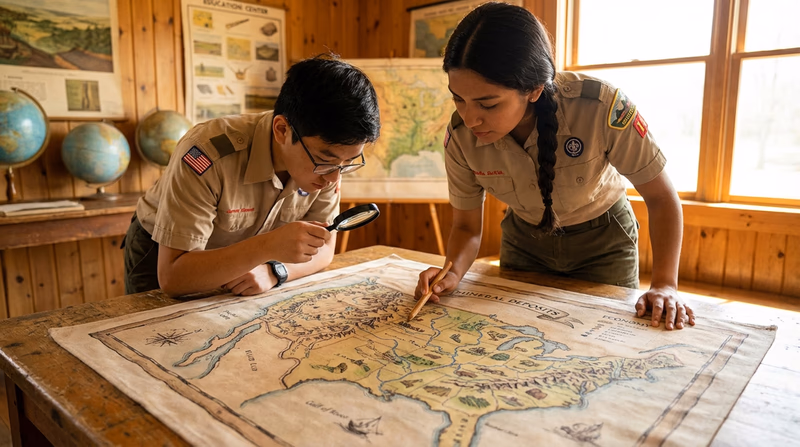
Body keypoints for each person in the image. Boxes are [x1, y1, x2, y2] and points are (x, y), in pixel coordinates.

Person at [414, 3, 695, 330]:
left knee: (602, 337)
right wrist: (452, 273)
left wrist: (665, 285)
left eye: (488, 104)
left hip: (603, 240)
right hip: (524, 241)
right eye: (458, 99)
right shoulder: (461, 136)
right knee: (514, 335)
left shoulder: (600, 107)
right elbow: (466, 227)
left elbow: (661, 198)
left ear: (534, 89)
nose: (470, 118)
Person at [123, 54, 380, 297]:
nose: (334, 178)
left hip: (251, 261)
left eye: (348, 162)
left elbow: (324, 249)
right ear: (282, 130)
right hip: (164, 249)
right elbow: (174, 277)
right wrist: (267, 247)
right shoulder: (207, 152)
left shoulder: (329, 162)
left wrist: (274, 270)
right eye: (325, 161)